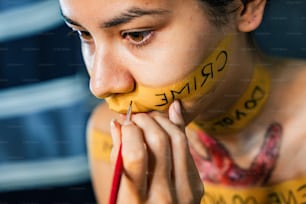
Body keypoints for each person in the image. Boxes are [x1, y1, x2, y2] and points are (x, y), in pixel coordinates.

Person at [59, 0, 306, 203]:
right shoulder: (107, 136)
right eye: (84, 34)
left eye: (137, 34)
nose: (100, 85)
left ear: (245, 7)